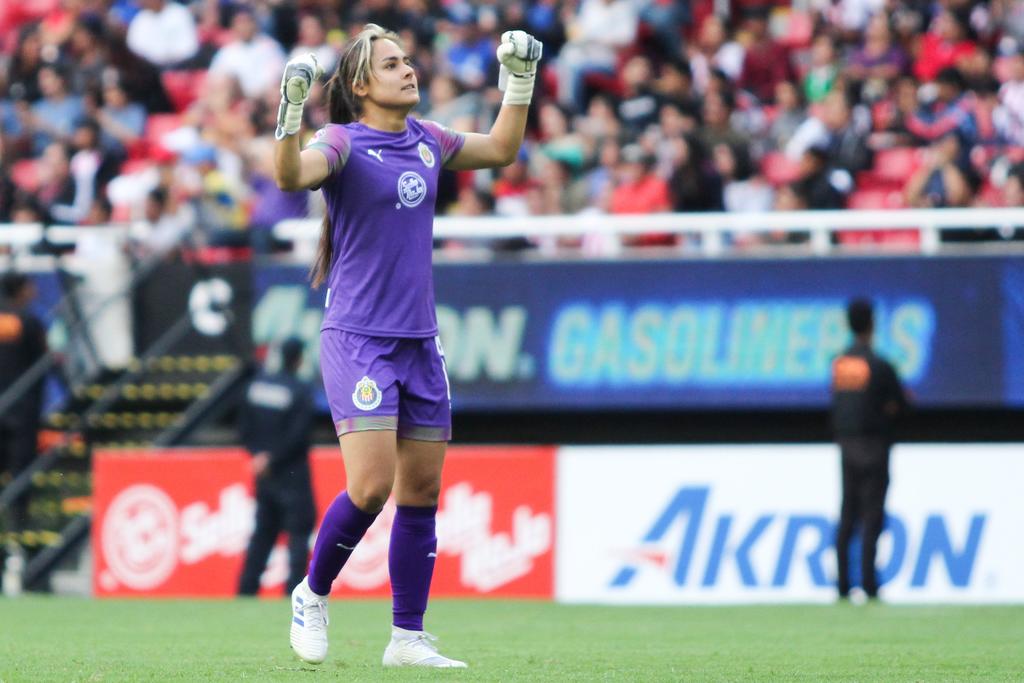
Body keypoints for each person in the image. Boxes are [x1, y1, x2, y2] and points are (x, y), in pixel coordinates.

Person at [272, 24, 542, 668]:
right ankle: (311, 594)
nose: (408, 70)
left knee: (421, 492)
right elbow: (289, 176)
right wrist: (288, 114)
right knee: (370, 488)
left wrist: (521, 77)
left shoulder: (428, 140)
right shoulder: (340, 141)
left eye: (408, 61)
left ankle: (407, 638)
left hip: (420, 341)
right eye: (391, 64)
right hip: (359, 337)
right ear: (361, 85)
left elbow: (502, 148)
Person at [831, 299, 909, 601]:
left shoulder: (839, 364)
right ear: (872, 324)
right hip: (875, 446)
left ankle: (841, 584)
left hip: (846, 444)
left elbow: (842, 405)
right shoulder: (880, 365)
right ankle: (868, 583)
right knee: (872, 515)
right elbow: (899, 406)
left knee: (848, 513)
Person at [237, 337, 316, 597]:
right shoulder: (300, 390)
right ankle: (294, 593)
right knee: (298, 534)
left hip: (264, 474)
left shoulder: (256, 387)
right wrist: (273, 458)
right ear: (299, 359)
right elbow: (299, 434)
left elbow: (244, 427)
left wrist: (259, 456)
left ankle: (246, 591)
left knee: (262, 534)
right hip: (292, 472)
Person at [0, 273, 47, 535]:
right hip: (21, 411)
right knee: (21, 474)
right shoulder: (29, 321)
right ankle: (19, 530)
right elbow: (41, 363)